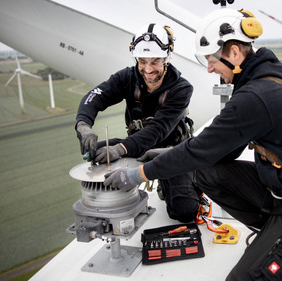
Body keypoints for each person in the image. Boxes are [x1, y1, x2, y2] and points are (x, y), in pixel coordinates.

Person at [104, 9, 282, 280]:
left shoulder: (256, 96)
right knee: (205, 172)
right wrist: (168, 154)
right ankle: (278, 233)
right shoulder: (264, 84)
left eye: (211, 60)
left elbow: (199, 149)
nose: (210, 68)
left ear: (234, 53)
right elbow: (220, 151)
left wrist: (136, 175)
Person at [75, 23, 200, 223]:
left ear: (167, 58)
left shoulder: (181, 88)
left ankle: (188, 181)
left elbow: (157, 130)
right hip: (138, 146)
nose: (148, 69)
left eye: (155, 61)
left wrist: (120, 149)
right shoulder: (127, 77)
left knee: (184, 211)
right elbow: (95, 96)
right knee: (96, 152)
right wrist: (83, 126)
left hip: (170, 150)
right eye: (142, 61)